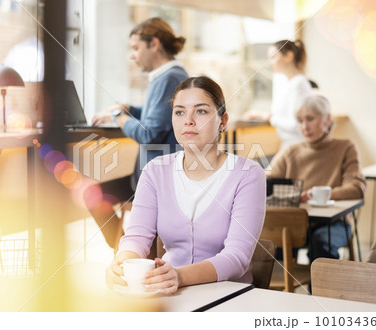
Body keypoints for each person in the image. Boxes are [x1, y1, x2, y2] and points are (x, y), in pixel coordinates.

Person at [105, 76, 266, 294]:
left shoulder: (248, 174)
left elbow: (237, 257)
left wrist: (178, 276)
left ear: (223, 121)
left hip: (227, 298)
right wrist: (123, 262)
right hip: (168, 293)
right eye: (180, 112)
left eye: (201, 111)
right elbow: (137, 237)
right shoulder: (155, 170)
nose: (188, 120)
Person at [85, 17, 189, 250]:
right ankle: (125, 248)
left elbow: (150, 133)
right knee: (94, 192)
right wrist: (130, 109)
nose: (132, 55)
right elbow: (161, 115)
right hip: (153, 178)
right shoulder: (170, 76)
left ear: (154, 44)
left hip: (155, 184)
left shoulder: (168, 78)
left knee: (92, 193)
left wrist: (118, 118)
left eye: (135, 48)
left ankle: (124, 248)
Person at [267, 94, 366, 261]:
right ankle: (278, 287)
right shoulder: (291, 151)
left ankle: (322, 288)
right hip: (295, 223)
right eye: (300, 121)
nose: (304, 126)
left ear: (327, 119)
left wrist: (317, 193)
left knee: (320, 244)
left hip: (334, 224)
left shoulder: (346, 147)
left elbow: (356, 189)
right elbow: (266, 179)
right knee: (271, 244)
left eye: (310, 119)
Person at [243, 40, 313, 149]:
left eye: (273, 57)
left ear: (289, 56)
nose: (270, 63)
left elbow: (296, 124)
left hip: (298, 148)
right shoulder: (291, 84)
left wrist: (268, 116)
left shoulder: (299, 84)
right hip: (291, 148)